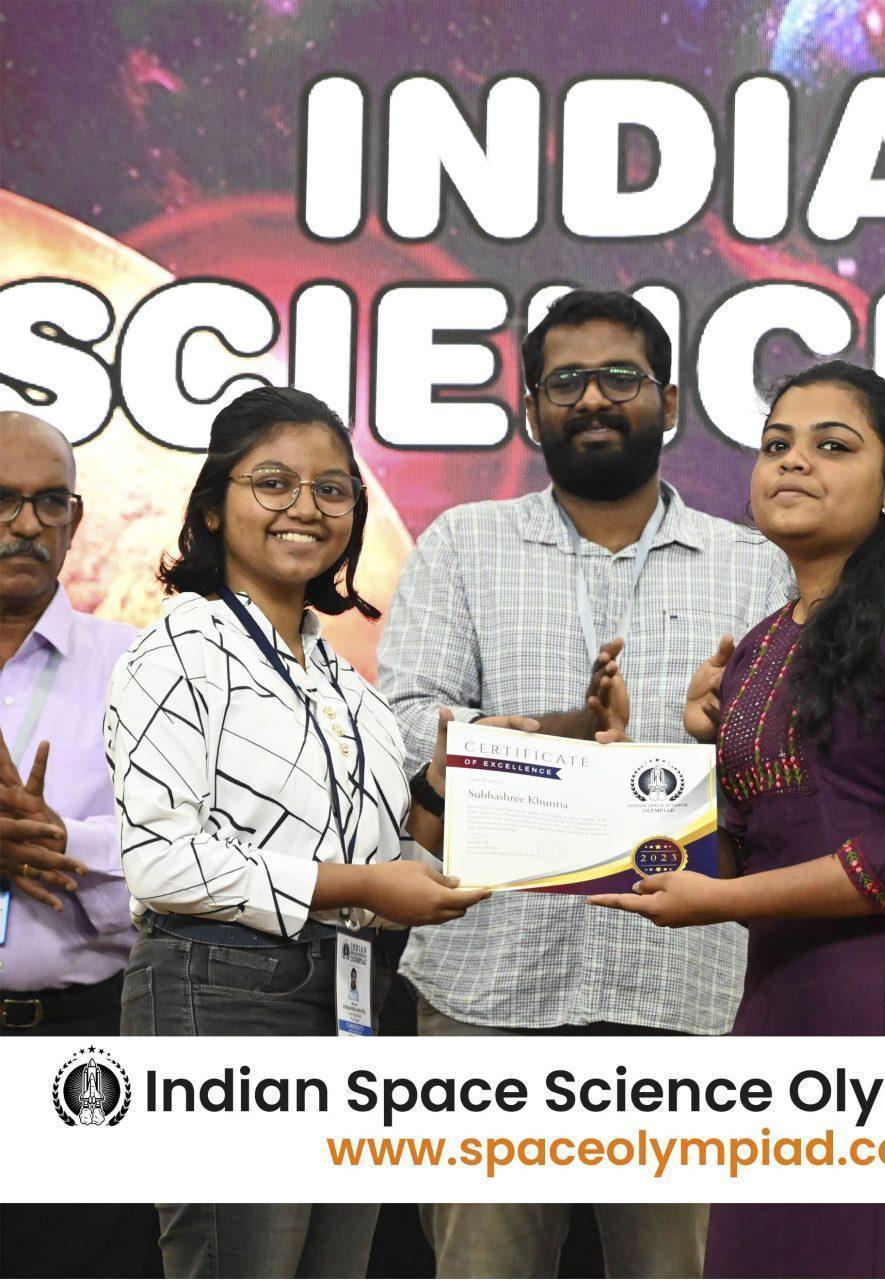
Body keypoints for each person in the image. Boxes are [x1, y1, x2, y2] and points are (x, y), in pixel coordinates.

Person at [590, 360, 885, 1278]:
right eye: (777, 445)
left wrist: (721, 903)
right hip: (793, 992)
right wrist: (626, 781)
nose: (794, 462)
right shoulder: (766, 641)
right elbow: (754, 839)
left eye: (833, 446)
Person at [377, 290, 792, 1279]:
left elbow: (790, 767)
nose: (594, 398)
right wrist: (563, 738)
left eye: (620, 377)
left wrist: (715, 736)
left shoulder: (755, 566)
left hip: (686, 990)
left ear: (670, 401)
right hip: (490, 985)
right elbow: (405, 726)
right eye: (566, 381)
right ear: (531, 409)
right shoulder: (463, 545)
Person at [105, 386, 509, 1280]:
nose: (306, 507)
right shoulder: (176, 652)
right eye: (273, 482)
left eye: (332, 489)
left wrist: (480, 786)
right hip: (223, 997)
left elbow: (386, 847)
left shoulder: (345, 687)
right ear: (214, 506)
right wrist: (363, 887)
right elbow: (163, 862)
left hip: (351, 1000)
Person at [0, 410, 161, 1279]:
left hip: (84, 1044)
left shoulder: (139, 669)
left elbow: (187, 854)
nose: (26, 523)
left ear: (74, 519)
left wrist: (62, 843)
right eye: (2, 500)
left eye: (48, 502)